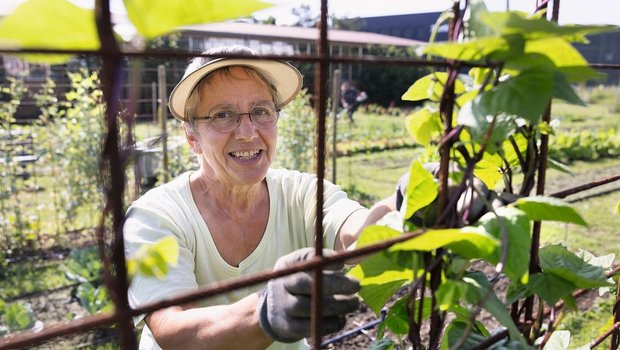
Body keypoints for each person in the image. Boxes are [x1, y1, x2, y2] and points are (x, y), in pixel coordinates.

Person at [123, 45, 397, 350]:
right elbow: (173, 330)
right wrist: (266, 311)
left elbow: (357, 233)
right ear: (192, 138)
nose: (248, 132)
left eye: (260, 111)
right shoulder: (155, 215)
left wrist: (404, 203)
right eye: (222, 115)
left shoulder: (300, 193)